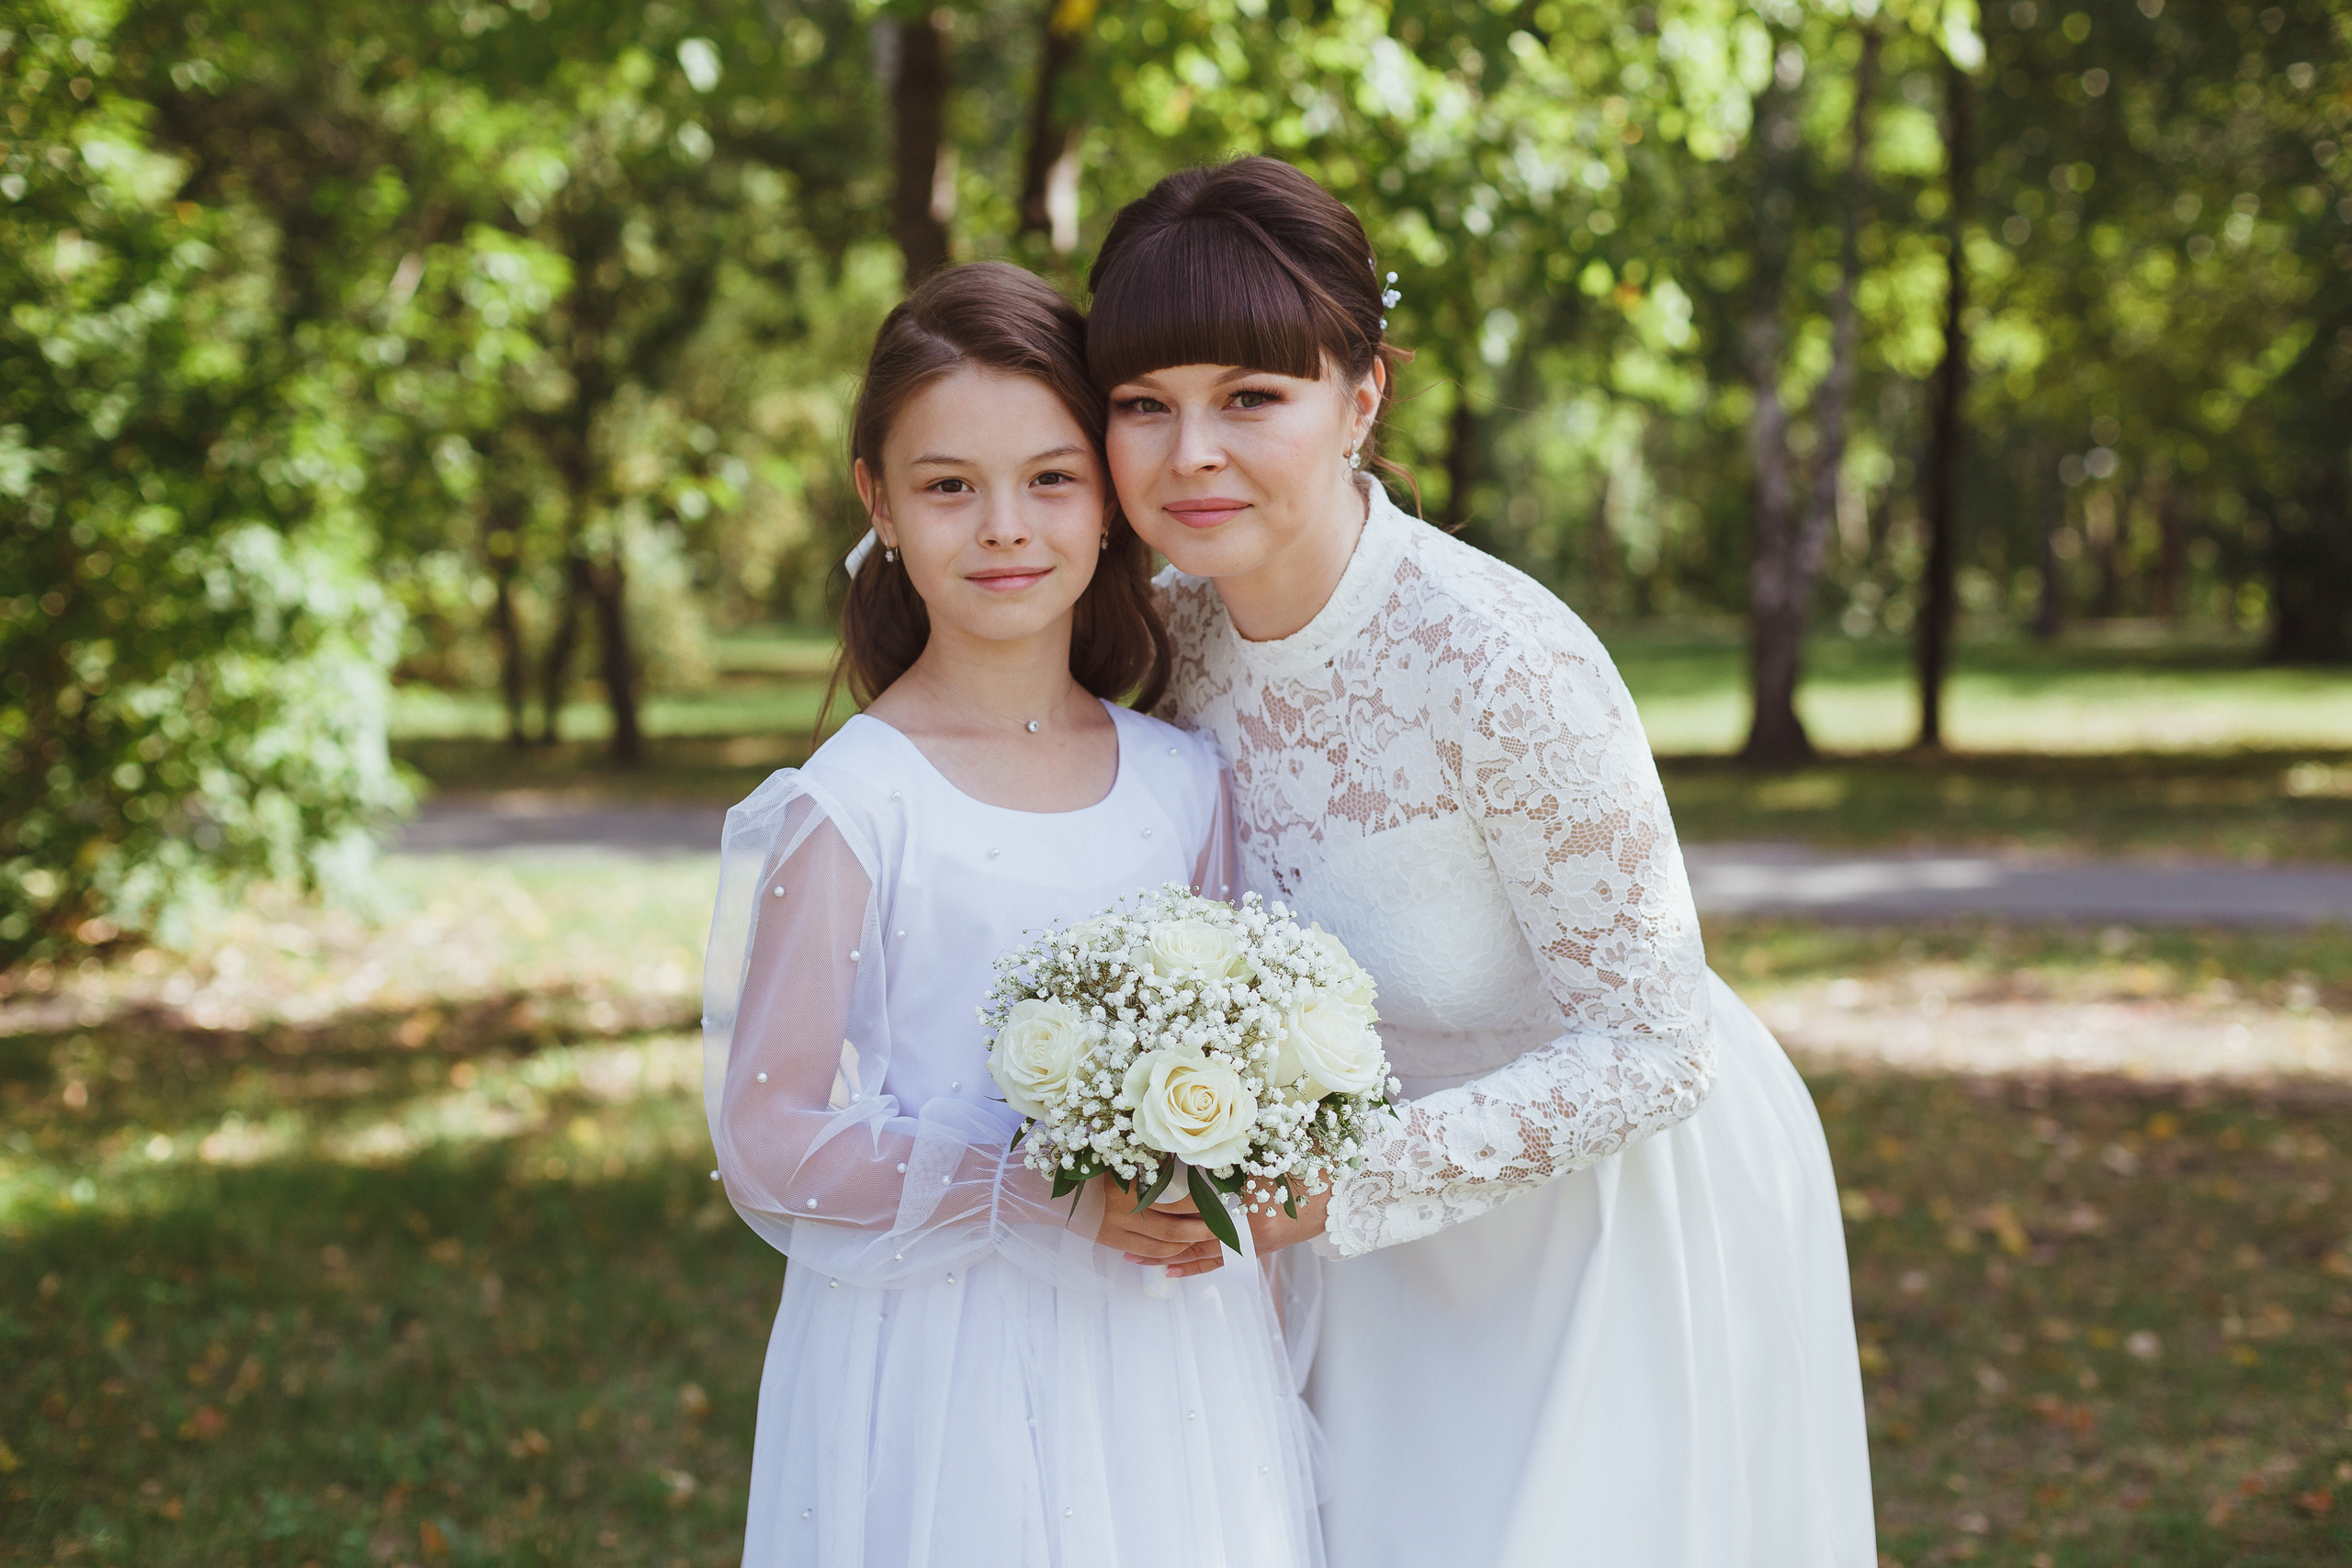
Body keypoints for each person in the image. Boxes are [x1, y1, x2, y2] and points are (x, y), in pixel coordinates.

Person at [1087, 158, 1877, 1567]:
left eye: (1250, 398)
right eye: (1144, 405)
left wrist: (1330, 1186)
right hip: (1360, 1252)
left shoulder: (1500, 661)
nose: (1188, 451)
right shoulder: (1166, 639)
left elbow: (1653, 1044)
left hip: (1607, 1215)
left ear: (1363, 397)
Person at [700, 261, 1321, 1568]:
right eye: (948, 487)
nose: (1004, 530)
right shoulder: (858, 802)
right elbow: (767, 1137)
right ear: (878, 498)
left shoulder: (1181, 779)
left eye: (1049, 478)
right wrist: (1033, 1189)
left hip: (1168, 1356)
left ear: (1106, 493)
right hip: (944, 1366)